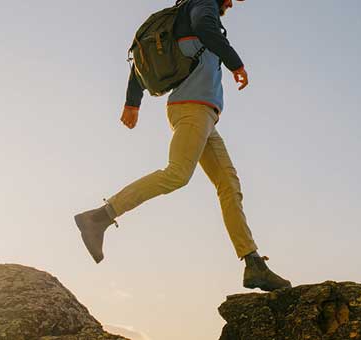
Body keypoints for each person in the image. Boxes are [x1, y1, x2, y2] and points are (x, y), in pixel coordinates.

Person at [73, 0, 291, 292]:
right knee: (177, 174)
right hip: (193, 110)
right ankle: (98, 218)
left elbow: (142, 58)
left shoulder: (181, 15)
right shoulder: (204, 4)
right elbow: (204, 27)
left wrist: (132, 102)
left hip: (203, 116)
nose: (231, 3)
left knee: (228, 184)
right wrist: (235, 63)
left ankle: (253, 265)